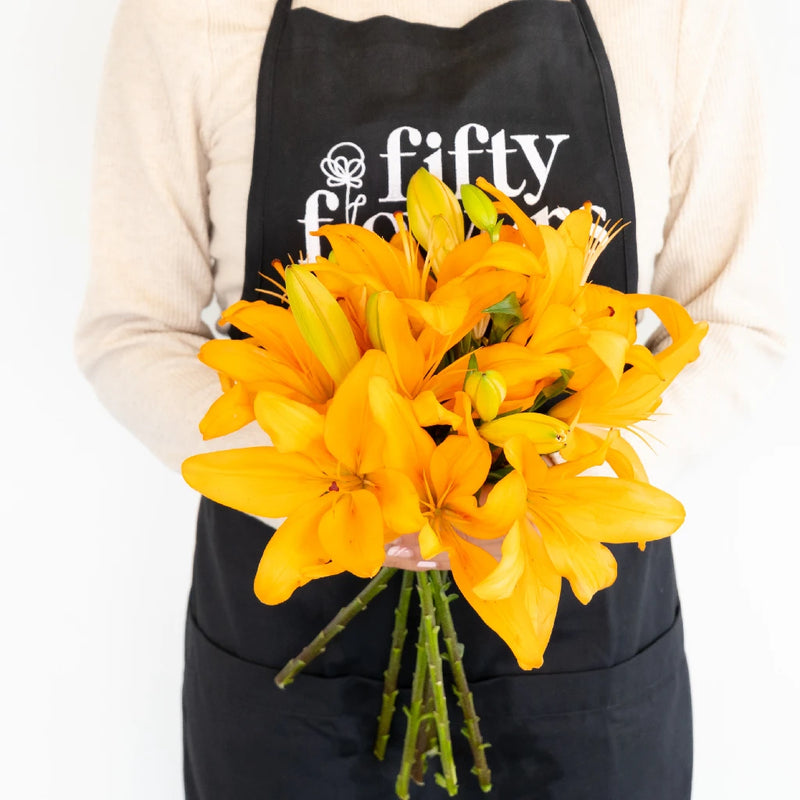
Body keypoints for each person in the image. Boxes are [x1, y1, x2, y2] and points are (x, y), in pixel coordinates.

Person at [75, 0, 785, 797]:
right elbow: (131, 330)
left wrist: (551, 482)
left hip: (581, 659)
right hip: (292, 652)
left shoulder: (675, 15)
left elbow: (737, 327)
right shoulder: (186, 17)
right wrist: (341, 487)